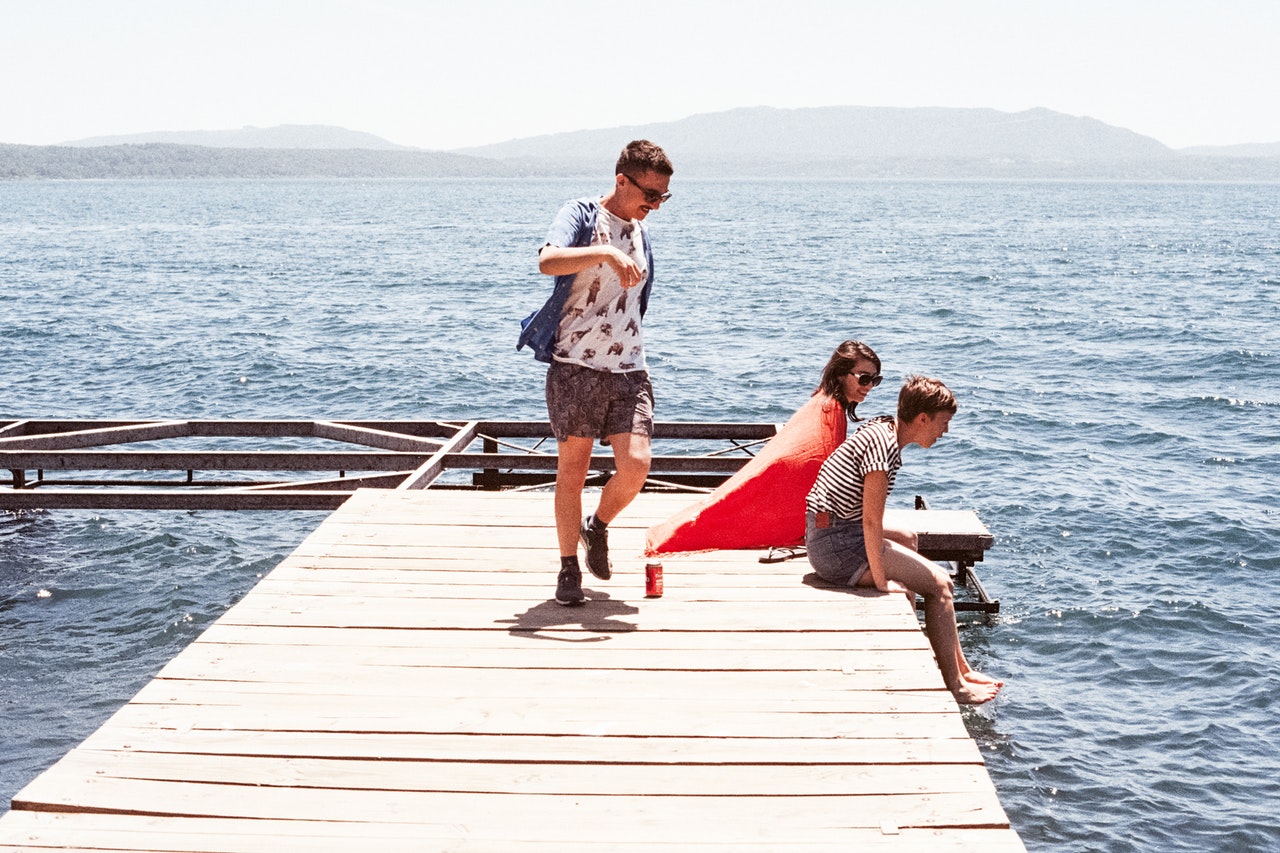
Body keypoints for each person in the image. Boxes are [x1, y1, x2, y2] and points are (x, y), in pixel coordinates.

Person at [517, 140, 673, 606]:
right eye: (650, 194)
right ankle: (568, 569)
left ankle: (597, 526)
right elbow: (547, 261)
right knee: (573, 469)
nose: (655, 205)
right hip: (576, 366)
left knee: (637, 466)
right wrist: (604, 253)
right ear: (622, 180)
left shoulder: (643, 232)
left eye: (663, 197)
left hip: (629, 368)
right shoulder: (582, 214)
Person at [805, 375, 1003, 705]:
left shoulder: (886, 428)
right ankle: (956, 685)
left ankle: (961, 666)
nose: (945, 432)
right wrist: (883, 581)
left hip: (830, 529)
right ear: (922, 418)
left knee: (909, 537)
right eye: (943, 423)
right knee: (941, 586)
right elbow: (870, 522)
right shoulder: (883, 452)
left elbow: (869, 519)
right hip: (835, 546)